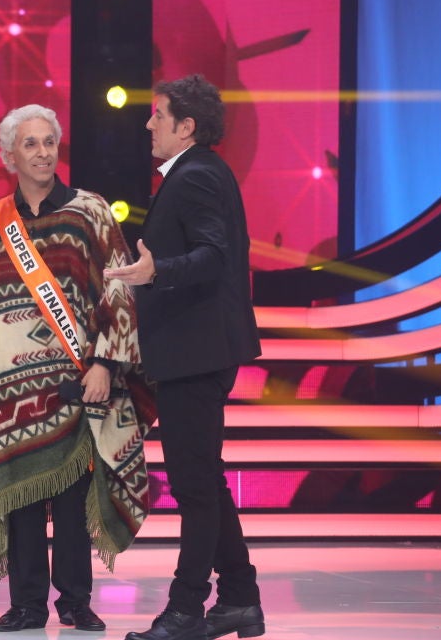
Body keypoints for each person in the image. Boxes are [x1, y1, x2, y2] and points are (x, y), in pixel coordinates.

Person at [0, 104, 155, 633]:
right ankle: (26, 605)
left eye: (49, 141)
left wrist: (105, 363)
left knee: (71, 500)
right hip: (7, 389)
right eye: (30, 144)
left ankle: (74, 601)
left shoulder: (89, 210)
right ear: (9, 155)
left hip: (76, 380)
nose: (43, 152)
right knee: (19, 494)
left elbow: (118, 288)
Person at [107, 74, 264, 640]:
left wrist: (157, 272)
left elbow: (214, 255)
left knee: (195, 486)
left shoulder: (195, 175)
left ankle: (186, 609)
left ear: (187, 126)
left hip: (196, 352)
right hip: (195, 351)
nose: (148, 123)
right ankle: (240, 598)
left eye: (158, 115)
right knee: (205, 479)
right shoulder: (200, 172)